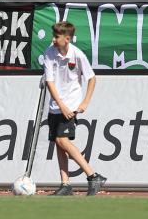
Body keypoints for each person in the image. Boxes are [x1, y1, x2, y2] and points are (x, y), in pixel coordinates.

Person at [43, 21, 106, 196]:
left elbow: (92, 78)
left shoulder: (77, 55)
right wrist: (59, 105)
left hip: (70, 106)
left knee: (62, 141)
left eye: (56, 37)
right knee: (58, 143)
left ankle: (93, 176)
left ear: (67, 38)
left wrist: (84, 102)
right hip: (55, 106)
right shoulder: (49, 53)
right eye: (53, 36)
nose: (53, 39)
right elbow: (50, 82)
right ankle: (66, 184)